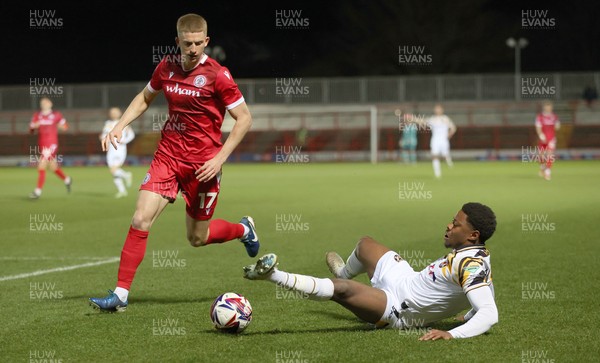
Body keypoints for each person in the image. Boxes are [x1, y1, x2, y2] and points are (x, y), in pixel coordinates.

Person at [90, 13, 259, 312]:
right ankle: (120, 295)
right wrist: (119, 125)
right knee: (140, 219)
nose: (192, 49)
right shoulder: (166, 67)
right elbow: (145, 97)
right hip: (168, 157)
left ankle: (244, 230)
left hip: (203, 166)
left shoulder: (219, 75)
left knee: (197, 237)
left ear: (206, 41)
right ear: (177, 41)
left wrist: (219, 158)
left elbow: (244, 119)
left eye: (198, 43)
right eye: (187, 43)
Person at [244, 202, 498, 340]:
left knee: (342, 291)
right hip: (405, 278)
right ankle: (342, 272)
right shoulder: (473, 258)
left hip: (398, 307)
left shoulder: (473, 265)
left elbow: (489, 313)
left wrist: (451, 334)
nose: (449, 225)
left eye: (456, 224)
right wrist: (468, 315)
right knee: (366, 244)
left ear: (473, 235)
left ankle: (271, 275)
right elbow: (484, 290)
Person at [29, 97, 72, 199]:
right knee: (53, 167)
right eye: (43, 102)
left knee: (41, 165)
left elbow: (65, 127)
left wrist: (60, 126)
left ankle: (37, 192)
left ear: (51, 104)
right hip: (42, 144)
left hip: (52, 144)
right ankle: (67, 180)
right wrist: (34, 126)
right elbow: (31, 130)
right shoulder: (37, 116)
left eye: (46, 102)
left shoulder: (56, 115)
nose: (45, 104)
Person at [100, 107, 134, 198]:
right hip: (110, 149)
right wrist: (103, 137)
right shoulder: (108, 124)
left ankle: (127, 175)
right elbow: (104, 134)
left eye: (115, 112)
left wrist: (125, 141)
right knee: (113, 171)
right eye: (112, 112)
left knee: (113, 169)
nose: (113, 113)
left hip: (120, 149)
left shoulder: (123, 123)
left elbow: (131, 135)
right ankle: (122, 191)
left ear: (119, 113)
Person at [426, 104, 456, 178]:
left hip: (444, 140)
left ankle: (448, 161)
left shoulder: (445, 119)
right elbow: (423, 122)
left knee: (445, 155)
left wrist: (449, 134)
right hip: (435, 140)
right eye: (436, 109)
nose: (437, 110)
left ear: (442, 110)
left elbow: (453, 128)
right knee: (435, 156)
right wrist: (412, 119)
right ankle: (437, 173)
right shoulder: (432, 119)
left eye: (439, 109)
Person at [535, 101, 560, 181]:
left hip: (551, 139)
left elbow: (557, 127)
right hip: (543, 139)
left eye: (549, 107)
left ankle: (547, 172)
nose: (548, 108)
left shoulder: (554, 117)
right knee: (540, 156)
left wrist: (557, 126)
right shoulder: (540, 117)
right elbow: (538, 127)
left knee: (550, 155)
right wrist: (541, 135)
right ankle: (542, 167)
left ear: (551, 108)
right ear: (544, 108)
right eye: (547, 107)